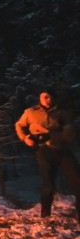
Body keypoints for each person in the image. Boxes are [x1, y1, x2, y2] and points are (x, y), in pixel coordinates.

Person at [15, 90, 80, 221]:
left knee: (77, 179)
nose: (47, 99)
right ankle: (45, 215)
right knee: (48, 184)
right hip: (43, 150)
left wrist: (49, 132)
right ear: (39, 98)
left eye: (50, 96)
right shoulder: (31, 112)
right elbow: (19, 125)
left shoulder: (61, 112)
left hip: (62, 149)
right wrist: (25, 138)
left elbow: (69, 132)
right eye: (45, 97)